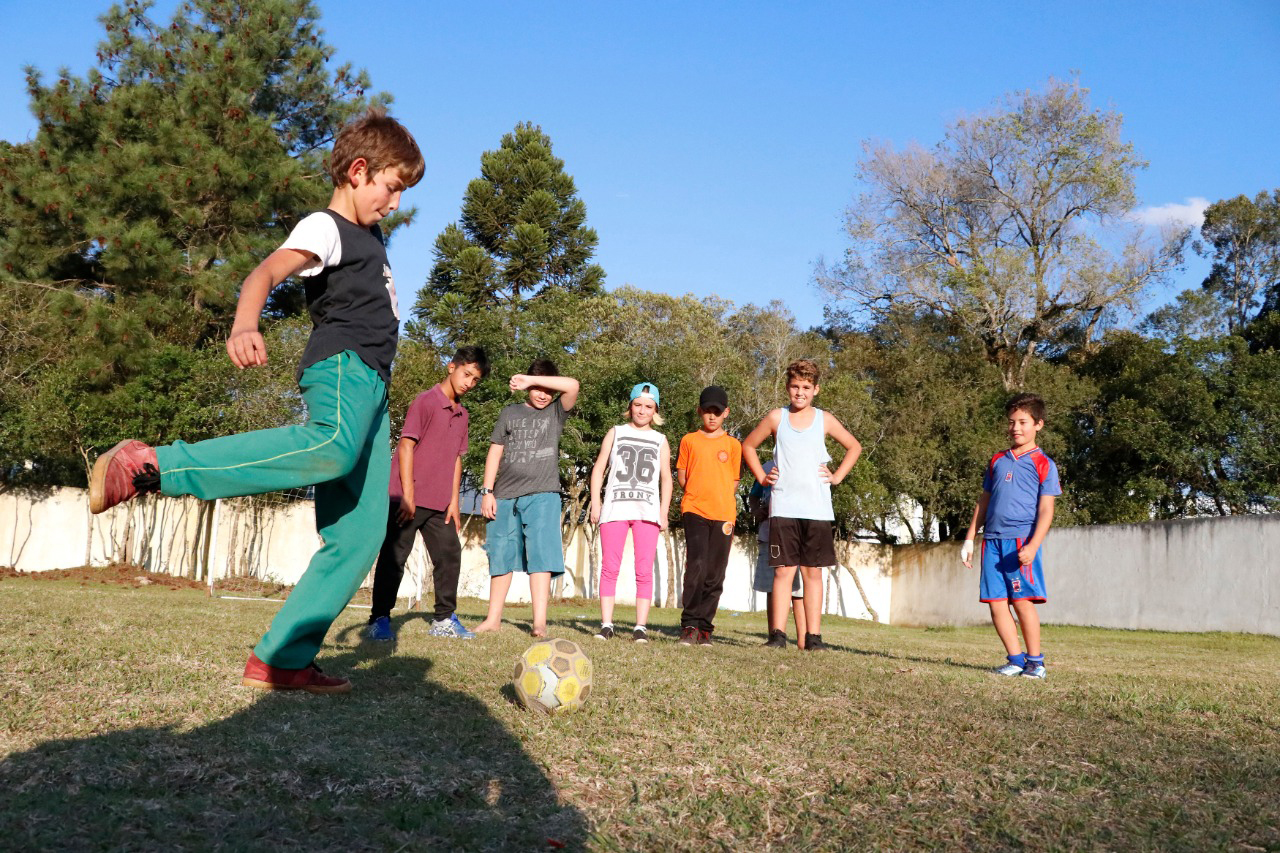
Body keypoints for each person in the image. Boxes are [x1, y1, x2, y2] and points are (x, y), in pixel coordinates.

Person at [87, 108, 424, 694]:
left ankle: (283, 659)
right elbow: (263, 274)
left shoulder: (370, 237)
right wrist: (246, 324)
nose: (394, 204)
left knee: (360, 535)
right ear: (360, 170)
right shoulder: (326, 226)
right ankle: (149, 465)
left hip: (375, 389)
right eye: (392, 188)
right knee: (327, 449)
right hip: (343, 368)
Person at [365, 346, 490, 643]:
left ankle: (444, 619)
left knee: (449, 555)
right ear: (452, 367)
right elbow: (406, 445)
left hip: (440, 502)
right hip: (407, 497)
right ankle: (379, 618)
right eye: (466, 374)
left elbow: (457, 458)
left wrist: (454, 501)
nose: (469, 383)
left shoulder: (463, 414)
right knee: (394, 559)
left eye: (475, 380)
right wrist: (407, 495)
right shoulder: (426, 401)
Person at [742, 359, 861, 652]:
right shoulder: (776, 417)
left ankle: (813, 638)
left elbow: (854, 447)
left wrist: (836, 477)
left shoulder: (825, 419)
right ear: (787, 387)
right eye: (795, 386)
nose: (800, 392)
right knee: (783, 572)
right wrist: (762, 476)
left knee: (813, 573)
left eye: (806, 387)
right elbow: (748, 446)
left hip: (817, 510)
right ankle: (778, 635)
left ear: (815, 389)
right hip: (782, 507)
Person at [473, 360, 580, 638]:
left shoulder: (557, 412)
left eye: (546, 388)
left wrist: (531, 380)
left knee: (541, 559)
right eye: (537, 388)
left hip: (543, 495)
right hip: (505, 495)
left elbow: (572, 386)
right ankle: (493, 619)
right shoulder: (509, 412)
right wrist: (487, 491)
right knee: (501, 556)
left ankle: (539, 624)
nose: (542, 394)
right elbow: (495, 451)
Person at [961, 392, 1061, 679]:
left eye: (1023, 422)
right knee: (995, 602)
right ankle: (1015, 660)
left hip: (1020, 542)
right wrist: (970, 538)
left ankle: (1035, 663)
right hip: (991, 540)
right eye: (1012, 422)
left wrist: (1033, 544)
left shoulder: (1044, 464)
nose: (1016, 427)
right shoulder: (997, 461)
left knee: (1021, 601)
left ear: (1038, 424)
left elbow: (1046, 511)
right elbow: (983, 501)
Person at [588, 382, 673, 643]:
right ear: (630, 406)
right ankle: (606, 624)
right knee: (609, 567)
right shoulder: (615, 432)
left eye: (648, 406)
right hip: (615, 508)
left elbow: (667, 479)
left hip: (647, 512)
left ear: (655, 410)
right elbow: (599, 468)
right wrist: (595, 502)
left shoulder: (660, 440)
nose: (642, 410)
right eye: (638, 404)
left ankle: (640, 627)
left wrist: (664, 511)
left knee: (644, 570)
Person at [675, 386, 742, 647]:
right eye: (707, 411)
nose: (712, 417)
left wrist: (718, 498)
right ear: (699, 411)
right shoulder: (689, 440)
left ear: (726, 412)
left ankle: (704, 629)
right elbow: (683, 477)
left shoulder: (733, 445)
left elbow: (733, 482)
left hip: (724, 513)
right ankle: (689, 625)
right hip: (695, 510)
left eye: (717, 411)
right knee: (697, 567)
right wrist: (699, 495)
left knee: (715, 573)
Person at [748, 458, 807, 649]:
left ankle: (804, 640)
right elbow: (754, 494)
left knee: (798, 592)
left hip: (795, 534)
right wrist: (757, 509)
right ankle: (775, 637)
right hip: (769, 534)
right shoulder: (765, 467)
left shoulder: (803, 461)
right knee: (771, 588)